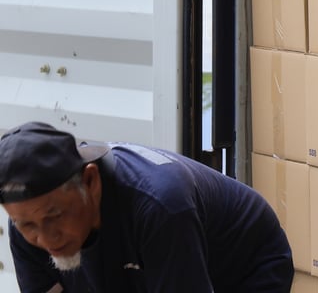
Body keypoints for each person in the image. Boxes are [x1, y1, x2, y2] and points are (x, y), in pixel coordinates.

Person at [0, 120, 294, 292]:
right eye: (27, 225)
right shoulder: (27, 228)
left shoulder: (160, 207)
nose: (46, 237)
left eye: (55, 215)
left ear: (90, 182)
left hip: (244, 268)